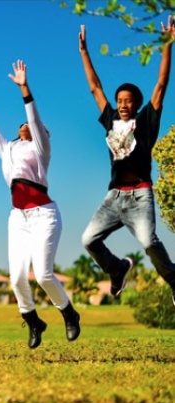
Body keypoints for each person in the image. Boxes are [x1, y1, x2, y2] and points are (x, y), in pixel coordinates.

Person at [0, 61, 80, 349]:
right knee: (17, 277)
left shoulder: (41, 149)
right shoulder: (7, 148)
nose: (26, 125)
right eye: (21, 124)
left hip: (45, 215)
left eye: (33, 126)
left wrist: (24, 88)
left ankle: (68, 313)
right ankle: (32, 320)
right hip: (18, 217)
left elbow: (34, 118)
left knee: (43, 274)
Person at [79, 21, 175, 307]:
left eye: (128, 101)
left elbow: (161, 84)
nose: (122, 104)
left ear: (137, 104)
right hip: (114, 197)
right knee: (88, 240)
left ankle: (173, 279)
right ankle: (117, 268)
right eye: (119, 100)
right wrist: (84, 51)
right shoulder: (110, 120)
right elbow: (95, 87)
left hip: (140, 195)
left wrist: (167, 44)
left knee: (148, 242)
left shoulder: (146, 122)